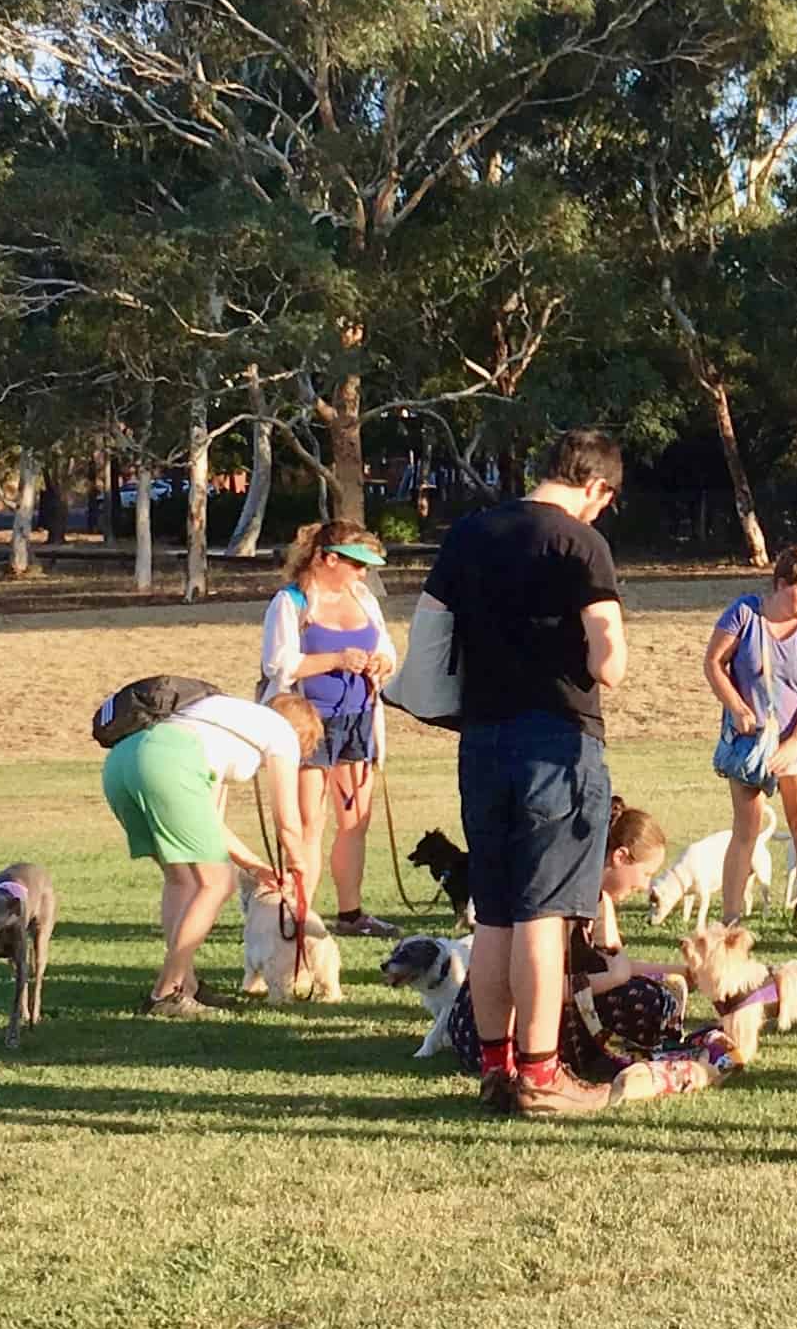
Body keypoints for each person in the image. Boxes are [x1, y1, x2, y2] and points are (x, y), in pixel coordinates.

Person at [425, 428, 630, 1119]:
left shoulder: (469, 534)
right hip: (556, 739)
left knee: (496, 912)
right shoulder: (579, 542)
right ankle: (542, 1073)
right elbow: (606, 658)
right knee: (544, 913)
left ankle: (495, 1064)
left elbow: (428, 637)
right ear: (595, 486)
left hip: (480, 738)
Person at [437, 804, 730, 1108]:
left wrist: (683, 973)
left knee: (657, 995)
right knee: (644, 1001)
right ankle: (540, 1061)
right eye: (645, 873)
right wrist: (614, 978)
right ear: (619, 857)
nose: (645, 885)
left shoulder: (599, 899)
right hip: (500, 1020)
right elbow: (543, 987)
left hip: (520, 1012)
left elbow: (617, 964)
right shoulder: (561, 901)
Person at [101, 685, 322, 1015]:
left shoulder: (222, 722)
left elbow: (211, 824)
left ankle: (185, 984)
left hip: (123, 762)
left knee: (182, 880)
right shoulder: (282, 733)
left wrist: (257, 866)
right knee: (217, 883)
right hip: (168, 764)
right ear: (301, 734)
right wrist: (298, 863)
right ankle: (166, 993)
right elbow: (287, 818)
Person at [257, 522, 396, 937]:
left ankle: (351, 914)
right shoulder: (291, 602)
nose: (361, 573)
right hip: (307, 722)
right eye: (355, 564)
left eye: (366, 566)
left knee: (354, 819)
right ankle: (299, 914)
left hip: (359, 716)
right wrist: (336, 659)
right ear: (326, 558)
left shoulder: (364, 597)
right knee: (308, 821)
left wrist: (380, 663)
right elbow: (279, 665)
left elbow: (386, 647)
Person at [701, 547, 797, 932]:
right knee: (745, 829)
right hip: (750, 745)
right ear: (781, 584)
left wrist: (795, 743)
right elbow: (713, 662)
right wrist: (736, 707)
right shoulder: (744, 614)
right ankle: (731, 920)